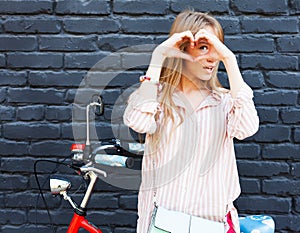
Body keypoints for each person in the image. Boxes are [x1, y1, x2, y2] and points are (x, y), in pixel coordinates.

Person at [123, 10, 259, 233]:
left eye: (217, 48)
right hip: (161, 224)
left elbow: (247, 127)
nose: (212, 57)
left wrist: (230, 60)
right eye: (204, 47)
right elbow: (138, 121)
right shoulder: (158, 97)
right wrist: (158, 56)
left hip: (211, 225)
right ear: (182, 51)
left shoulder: (225, 102)